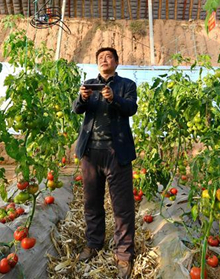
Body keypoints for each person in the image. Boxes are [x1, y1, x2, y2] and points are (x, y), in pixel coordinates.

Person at [72, 47, 138, 279]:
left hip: (116, 152)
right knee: (92, 202)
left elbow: (132, 108)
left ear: (117, 63)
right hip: (90, 153)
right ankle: (94, 243)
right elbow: (76, 109)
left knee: (122, 206)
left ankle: (123, 254)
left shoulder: (127, 85)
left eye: (108, 57)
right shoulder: (89, 84)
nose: (104, 60)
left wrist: (114, 98)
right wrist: (82, 97)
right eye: (100, 58)